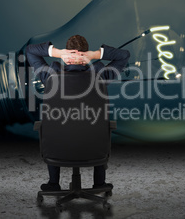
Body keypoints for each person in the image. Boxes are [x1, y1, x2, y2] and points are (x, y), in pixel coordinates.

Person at [25, 35, 130, 191]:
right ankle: (99, 183)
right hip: (94, 150)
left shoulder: (50, 74)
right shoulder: (100, 74)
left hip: (57, 150)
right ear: (85, 55)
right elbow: (124, 56)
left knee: (54, 127)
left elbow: (30, 51)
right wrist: (94, 55)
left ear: (66, 56)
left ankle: (54, 183)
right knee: (99, 127)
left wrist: (58, 53)